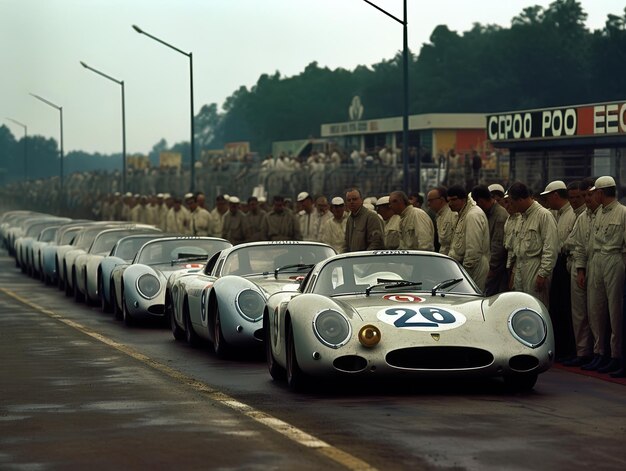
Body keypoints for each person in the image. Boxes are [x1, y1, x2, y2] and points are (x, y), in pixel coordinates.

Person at [583, 176, 626, 375]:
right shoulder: (598, 212)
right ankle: (600, 353)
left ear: (601, 192)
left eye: (595, 192)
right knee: (596, 309)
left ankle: (616, 355)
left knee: (615, 310)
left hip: (614, 259)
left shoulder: (622, 212)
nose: (593, 195)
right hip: (597, 260)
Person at [540, 180, 577, 361]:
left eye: (548, 197)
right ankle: (561, 348)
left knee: (566, 308)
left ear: (555, 195)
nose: (546, 201)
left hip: (567, 261)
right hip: (559, 262)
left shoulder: (572, 214)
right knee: (558, 307)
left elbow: (568, 243)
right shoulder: (556, 214)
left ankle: (570, 350)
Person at [507, 182, 558, 307]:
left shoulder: (544, 215)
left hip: (535, 267)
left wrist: (543, 274)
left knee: (536, 306)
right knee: (520, 306)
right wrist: (514, 273)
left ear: (520, 200)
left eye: (512, 203)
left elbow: (550, 247)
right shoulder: (521, 217)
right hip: (520, 267)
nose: (511, 206)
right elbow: (517, 248)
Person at [564, 178, 598, 367]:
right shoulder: (584, 217)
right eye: (583, 195)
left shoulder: (603, 214)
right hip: (579, 265)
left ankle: (599, 352)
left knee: (597, 313)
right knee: (579, 313)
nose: (585, 199)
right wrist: (580, 269)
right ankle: (583, 351)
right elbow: (575, 243)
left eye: (587, 195)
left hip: (597, 263)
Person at [446, 185, 490, 291]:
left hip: (474, 267)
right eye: (448, 200)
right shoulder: (462, 214)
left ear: (463, 199)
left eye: (454, 199)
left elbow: (473, 249)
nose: (450, 203)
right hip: (465, 266)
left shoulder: (473, 215)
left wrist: (466, 273)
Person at [471, 185, 509, 296]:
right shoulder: (488, 213)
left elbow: (498, 245)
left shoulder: (500, 215)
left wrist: (491, 268)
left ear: (481, 201)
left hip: (496, 268)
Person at [344, 187, 384, 252]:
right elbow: (346, 242)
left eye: (354, 199)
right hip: (352, 259)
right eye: (349, 200)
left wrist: (363, 258)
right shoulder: (350, 219)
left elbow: (376, 243)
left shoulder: (371, 217)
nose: (351, 202)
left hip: (366, 260)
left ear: (361, 200)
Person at [427, 186, 457, 256]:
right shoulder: (439, 216)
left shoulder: (452, 214)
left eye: (431, 201)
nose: (428, 204)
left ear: (441, 199)